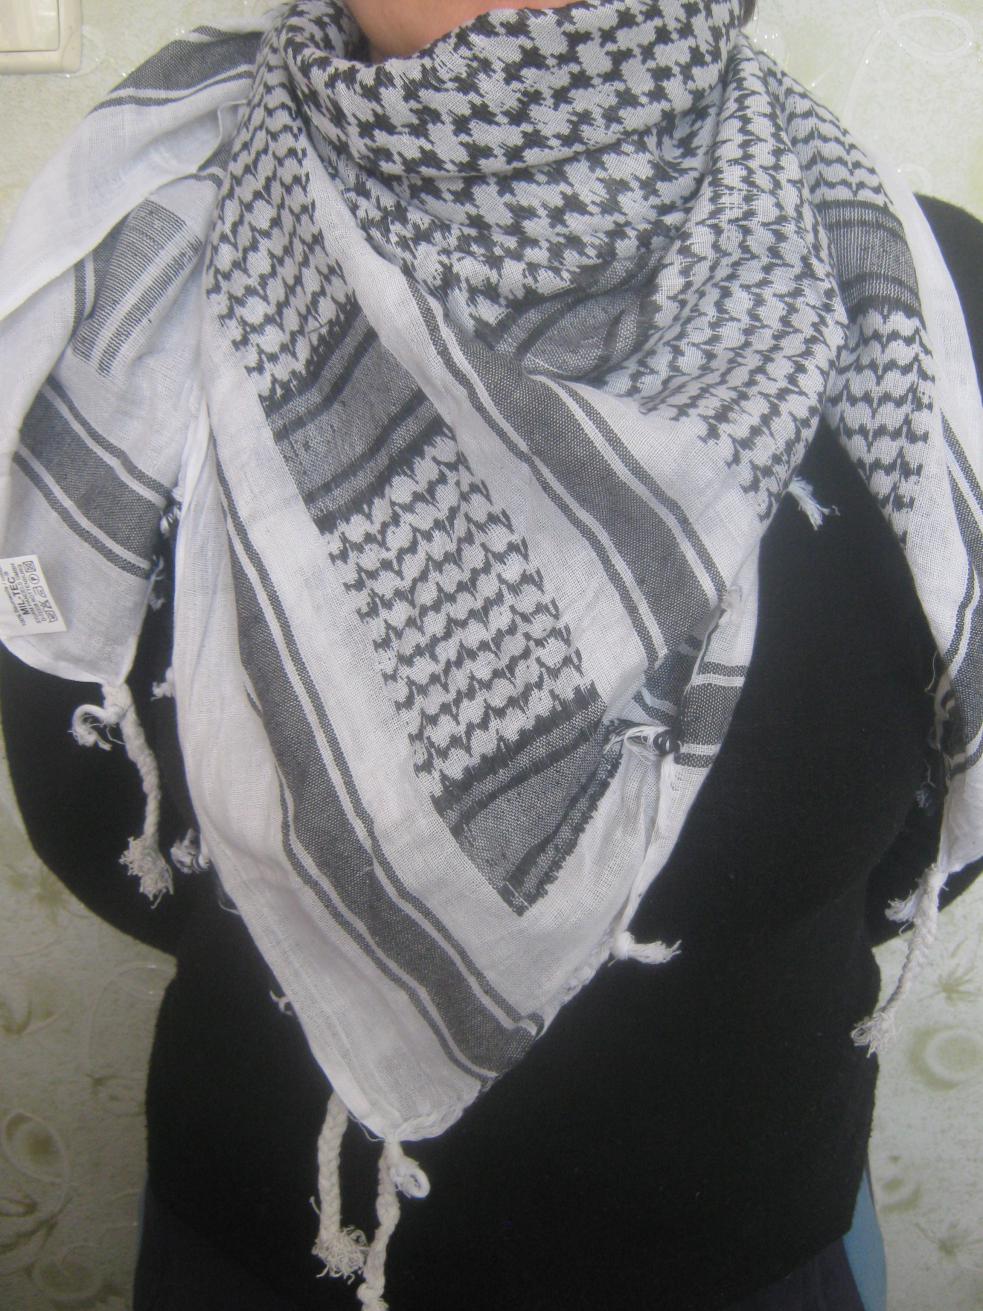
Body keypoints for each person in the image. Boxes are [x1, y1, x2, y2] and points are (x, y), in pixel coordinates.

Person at [0, 1, 981, 1308]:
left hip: (752, 1255)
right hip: (261, 1250)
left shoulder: (921, 295)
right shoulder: (128, 259)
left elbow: (926, 824)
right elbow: (96, 817)